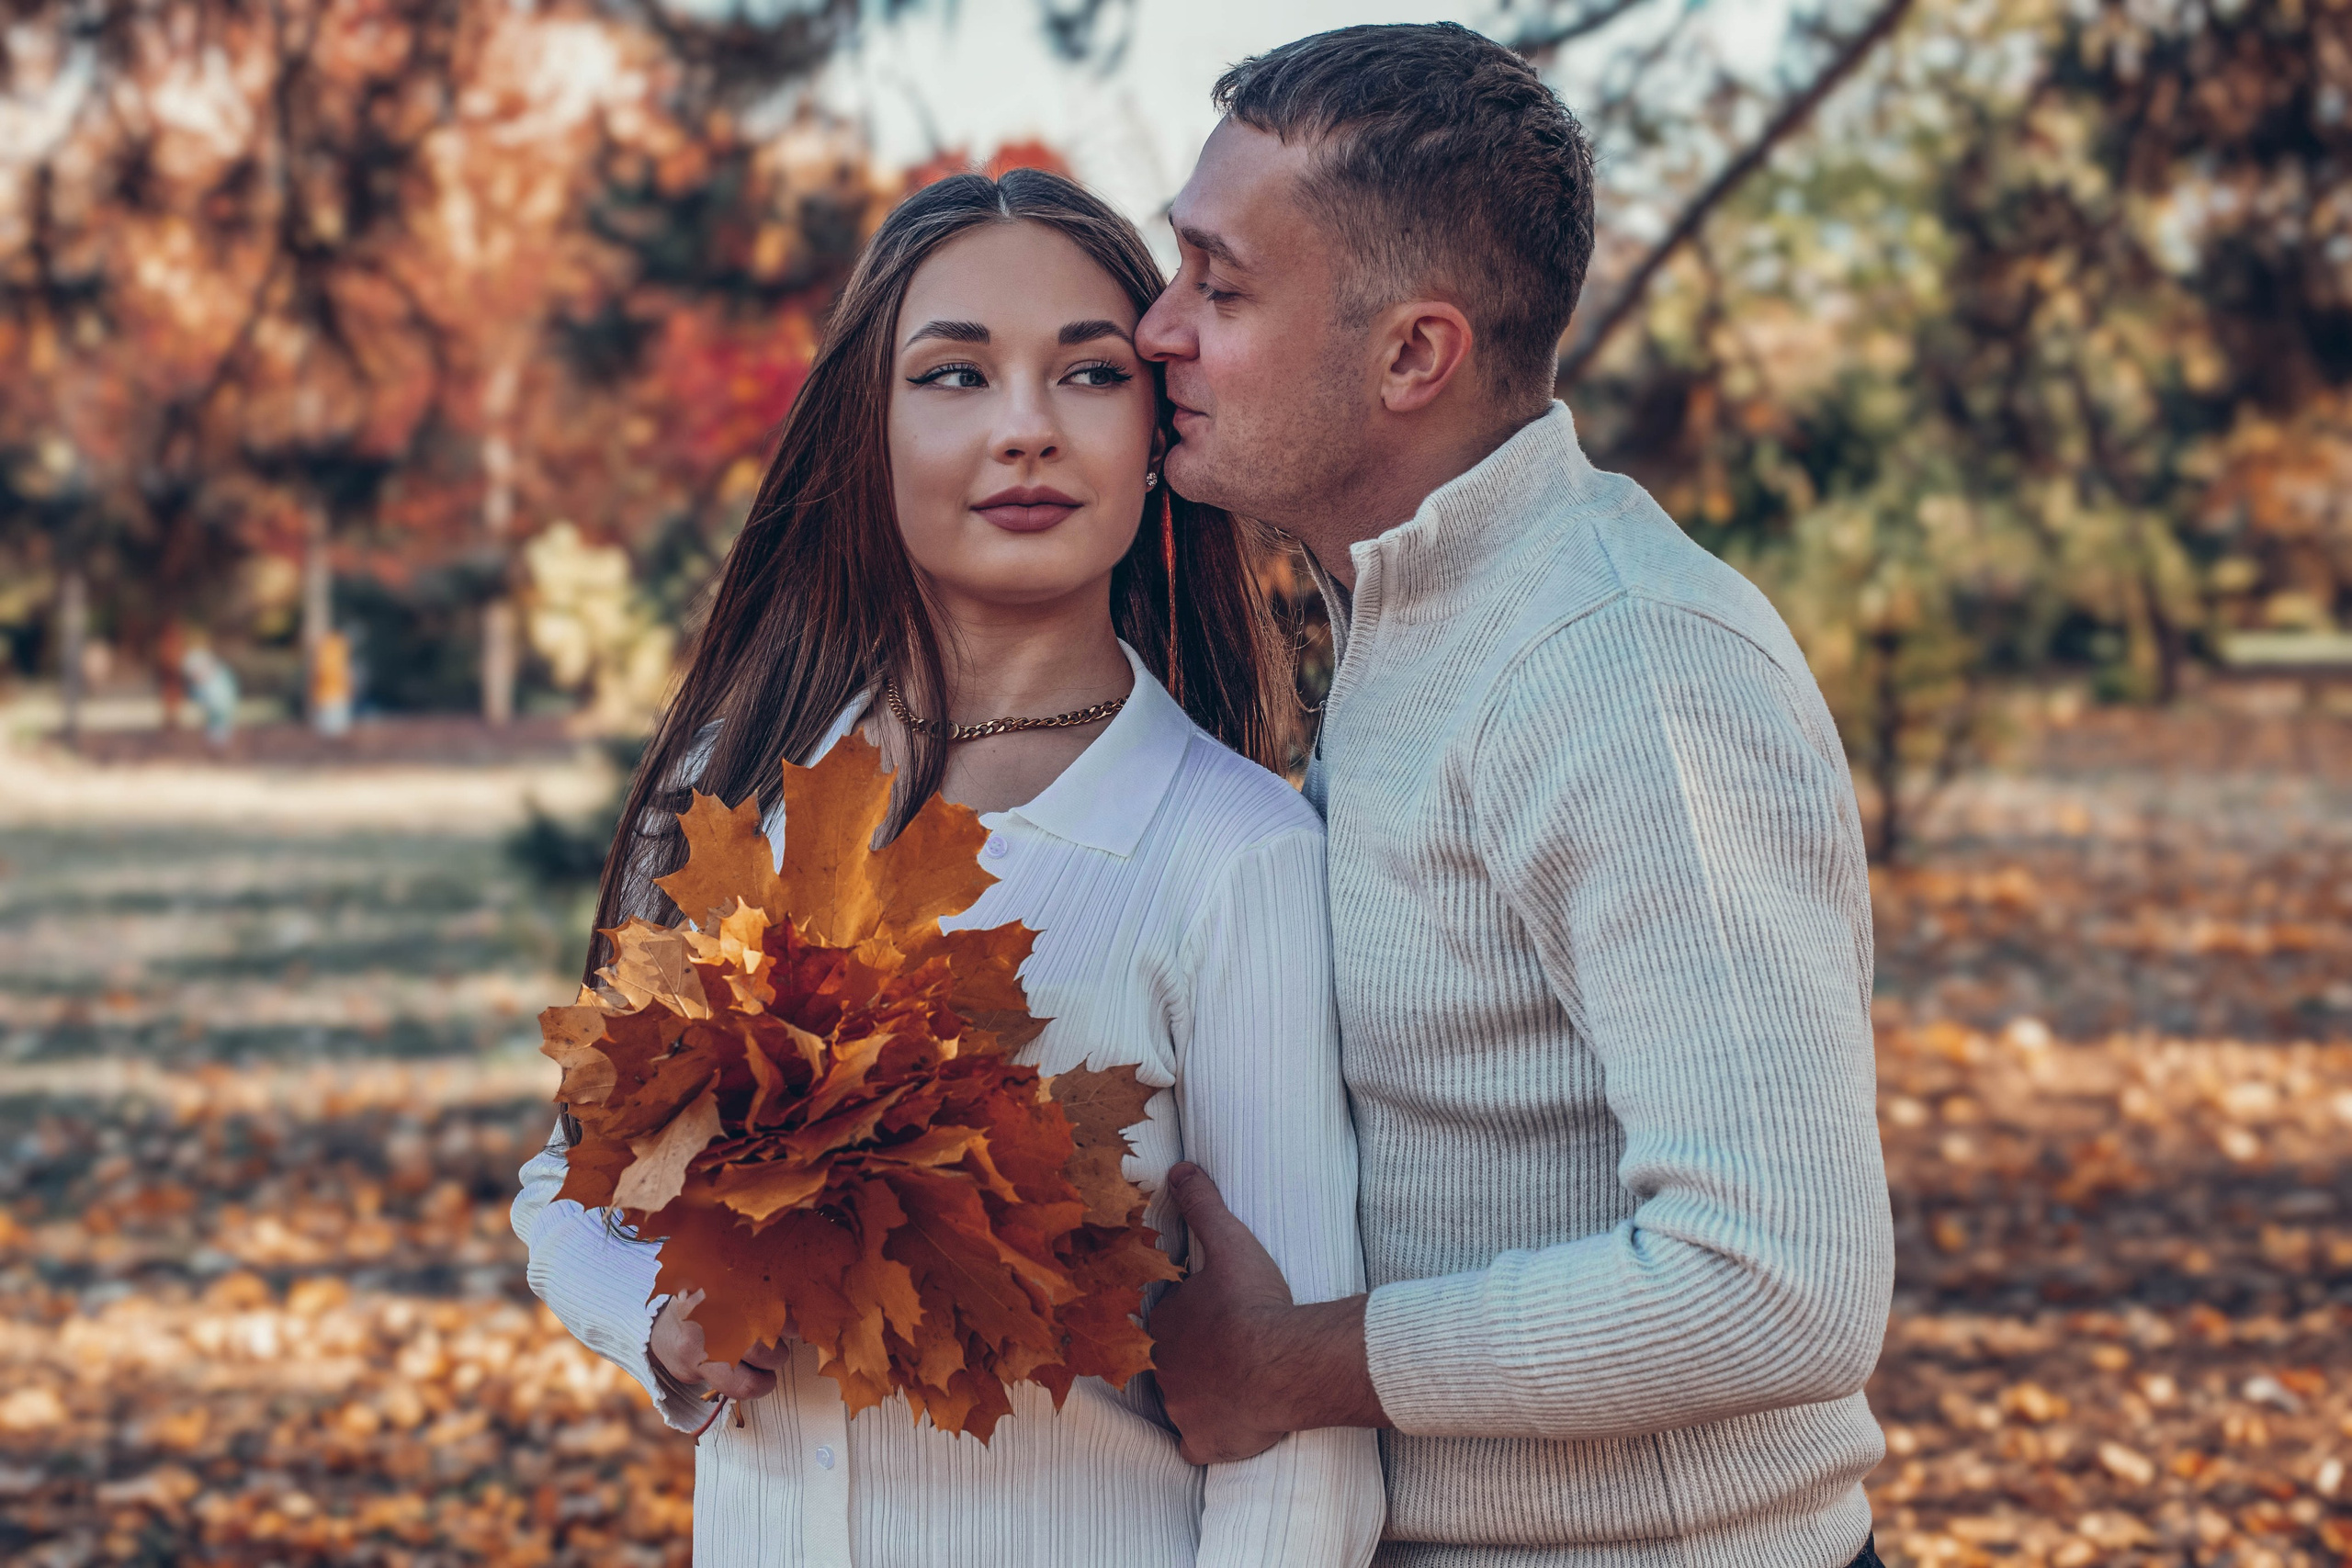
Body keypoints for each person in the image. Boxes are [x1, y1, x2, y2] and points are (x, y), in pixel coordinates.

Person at [510, 168, 1384, 1568]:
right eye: (956, 375)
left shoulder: (1237, 860)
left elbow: (1301, 1455)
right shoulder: (741, 786)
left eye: (1089, 374)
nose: (1026, 428)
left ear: (1156, 431)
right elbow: (569, 1185)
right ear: (869, 432)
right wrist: (658, 1324)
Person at [1136, 24, 1895, 1568]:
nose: (1159, 331)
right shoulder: (1415, 623)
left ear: (1413, 356)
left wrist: (1288, 1365)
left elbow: (1779, 1282)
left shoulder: (1624, 667)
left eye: (1222, 286)